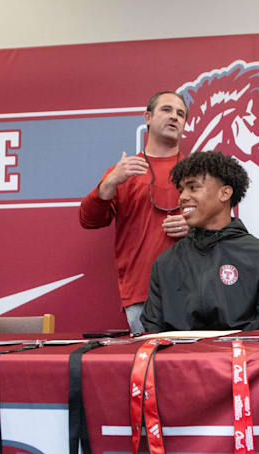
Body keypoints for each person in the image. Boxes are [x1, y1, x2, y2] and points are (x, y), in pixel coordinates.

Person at [140, 151, 259, 331]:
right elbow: (152, 334)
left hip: (243, 359)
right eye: (181, 189)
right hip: (177, 360)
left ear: (225, 193)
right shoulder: (165, 264)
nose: (182, 197)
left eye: (193, 187)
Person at [79, 91, 191, 333]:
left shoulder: (198, 171)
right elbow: (88, 220)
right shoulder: (125, 171)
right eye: (167, 110)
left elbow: (223, 227)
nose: (174, 117)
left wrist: (195, 225)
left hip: (195, 291)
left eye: (180, 114)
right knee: (148, 370)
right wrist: (109, 183)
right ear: (147, 117)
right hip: (142, 294)